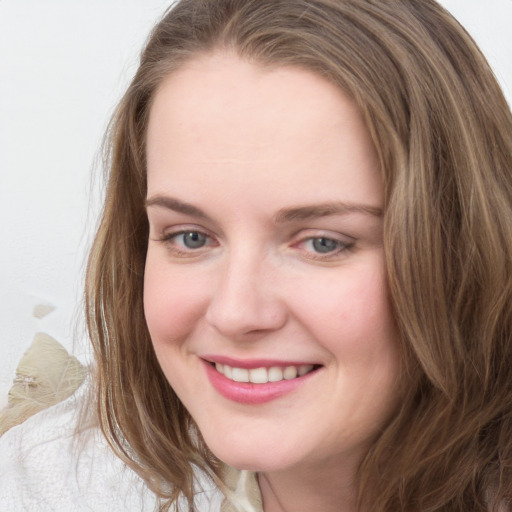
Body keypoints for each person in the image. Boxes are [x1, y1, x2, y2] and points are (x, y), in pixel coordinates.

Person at [1, 0, 512, 511]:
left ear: (463, 253)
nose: (235, 312)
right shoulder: (50, 484)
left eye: (322, 243)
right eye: (191, 237)